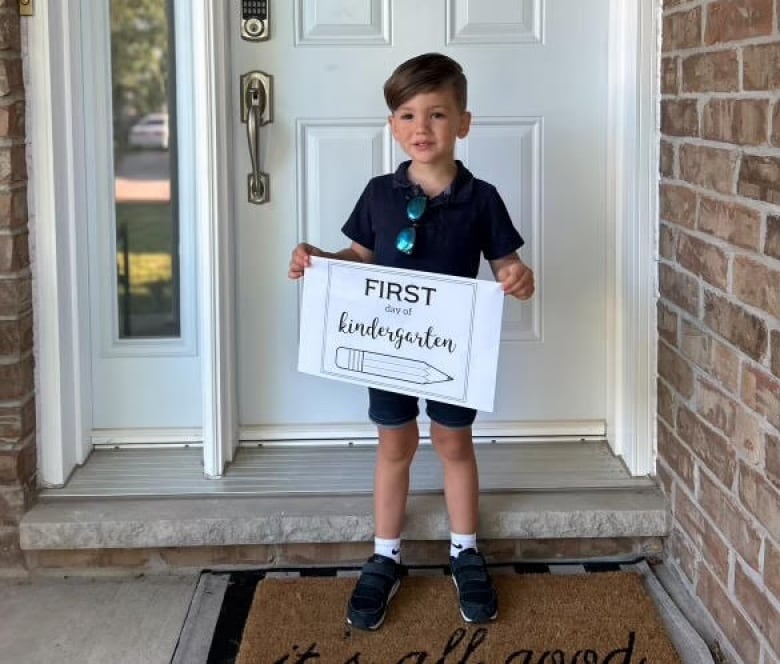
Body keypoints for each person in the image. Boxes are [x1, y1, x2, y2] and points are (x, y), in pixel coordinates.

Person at [288, 53, 535, 631]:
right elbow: (358, 260)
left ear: (464, 124)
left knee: (454, 444)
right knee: (394, 446)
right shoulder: (378, 193)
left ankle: (465, 550)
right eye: (406, 115)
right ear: (393, 126)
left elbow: (508, 265)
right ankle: (386, 554)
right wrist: (316, 258)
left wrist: (518, 279)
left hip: (451, 353)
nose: (421, 128)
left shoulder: (482, 198)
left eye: (437, 114)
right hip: (388, 346)